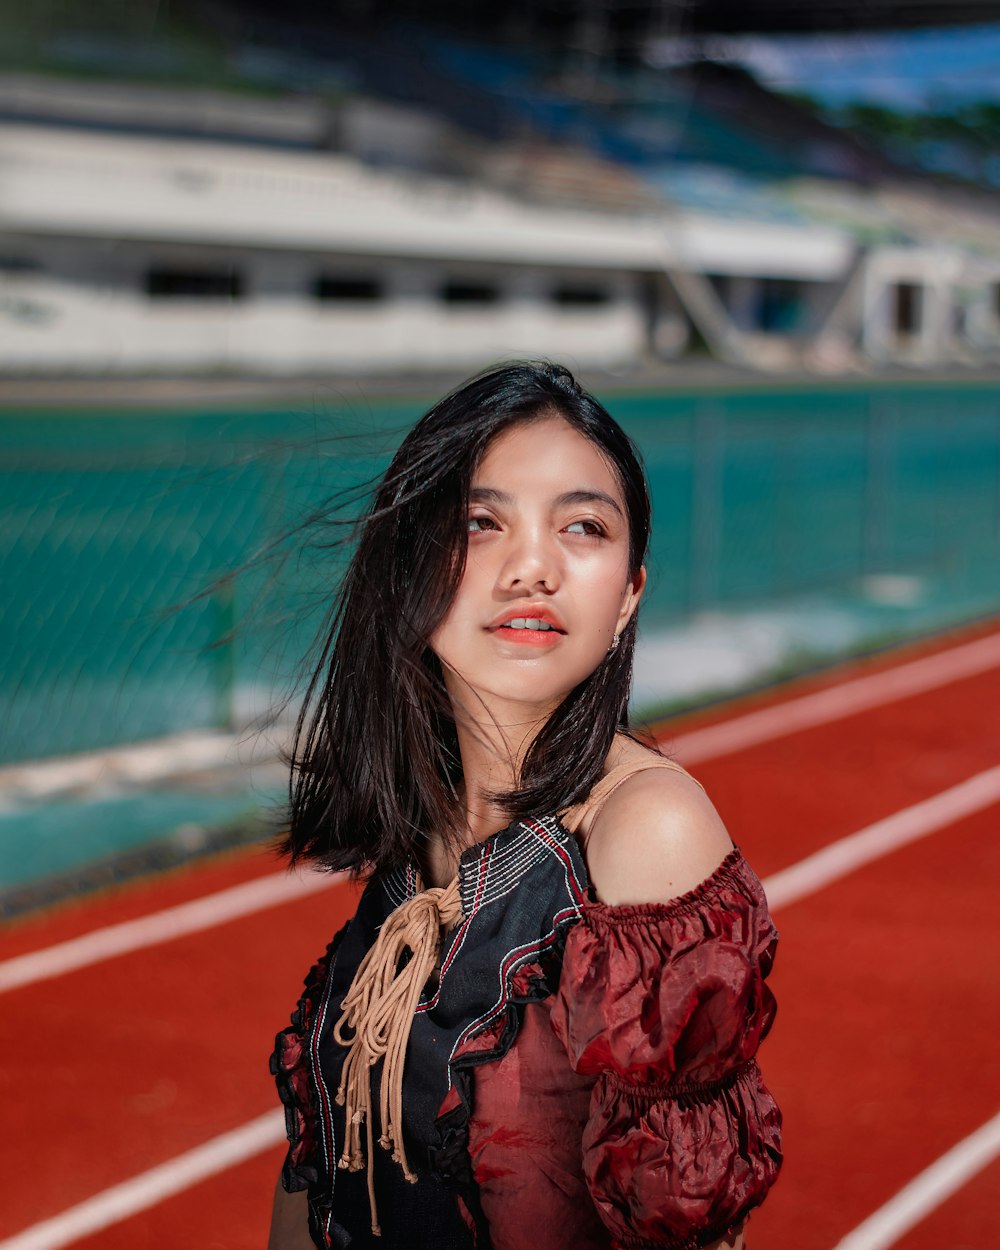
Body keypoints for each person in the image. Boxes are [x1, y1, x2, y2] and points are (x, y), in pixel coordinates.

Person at [268, 362, 781, 1250]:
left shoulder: (644, 831)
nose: (532, 567)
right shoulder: (416, 837)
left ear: (628, 598)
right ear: (408, 567)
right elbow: (314, 1182)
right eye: (480, 521)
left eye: (583, 526)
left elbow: (688, 1223)